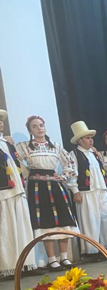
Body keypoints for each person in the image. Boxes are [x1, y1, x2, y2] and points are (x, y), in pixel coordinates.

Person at [16, 116, 78, 271]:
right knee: (46, 220)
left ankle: (64, 257)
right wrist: (27, 174)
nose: (39, 128)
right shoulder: (24, 146)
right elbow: (14, 161)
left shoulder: (55, 146)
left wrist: (64, 176)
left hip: (56, 186)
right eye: (34, 126)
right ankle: (52, 259)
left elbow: (69, 163)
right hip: (38, 187)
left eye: (41, 125)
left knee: (63, 219)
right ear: (30, 130)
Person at [68, 121, 107, 260]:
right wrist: (75, 191)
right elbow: (72, 173)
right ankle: (92, 250)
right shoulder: (74, 154)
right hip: (86, 191)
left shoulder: (95, 153)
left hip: (101, 189)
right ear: (79, 140)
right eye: (87, 138)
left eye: (91, 138)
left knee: (106, 218)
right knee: (90, 221)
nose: (91, 140)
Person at [0, 109, 40, 278]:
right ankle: (9, 267)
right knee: (6, 229)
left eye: (1, 121)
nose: (0, 123)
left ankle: (26, 263)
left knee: (22, 226)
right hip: (4, 192)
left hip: (17, 189)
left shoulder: (7, 143)